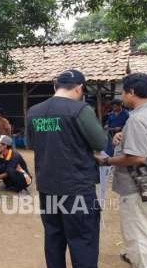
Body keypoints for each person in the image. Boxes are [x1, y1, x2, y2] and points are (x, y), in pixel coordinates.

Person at [26, 69, 107, 268]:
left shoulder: (34, 112)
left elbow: (30, 144)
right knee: (83, 241)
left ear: (55, 87)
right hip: (77, 189)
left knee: (54, 239)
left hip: (48, 187)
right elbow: (100, 142)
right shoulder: (80, 110)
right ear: (79, 89)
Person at [96, 73, 147, 268]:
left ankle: (141, 261)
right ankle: (135, 256)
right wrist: (122, 137)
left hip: (139, 184)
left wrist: (107, 161)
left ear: (131, 92)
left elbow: (136, 157)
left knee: (138, 232)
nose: (122, 97)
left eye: (123, 92)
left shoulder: (138, 119)